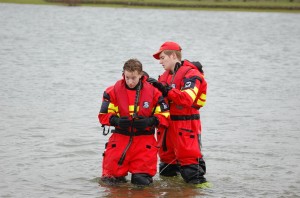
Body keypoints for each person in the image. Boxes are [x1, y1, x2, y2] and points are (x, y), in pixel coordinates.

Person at [98, 58, 169, 186]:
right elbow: (103, 116)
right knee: (111, 183)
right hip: (119, 141)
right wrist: (116, 120)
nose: (130, 81)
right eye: (127, 77)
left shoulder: (154, 92)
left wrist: (150, 121)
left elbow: (165, 116)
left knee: (142, 184)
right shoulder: (112, 91)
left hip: (144, 143)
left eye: (133, 78)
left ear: (141, 75)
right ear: (123, 74)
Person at [148, 41, 208, 185]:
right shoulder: (163, 77)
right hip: (166, 130)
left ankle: (206, 193)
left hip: (185, 127)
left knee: (192, 172)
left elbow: (187, 99)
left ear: (173, 55)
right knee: (166, 173)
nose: (160, 62)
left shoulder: (192, 74)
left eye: (162, 58)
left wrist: (165, 89)